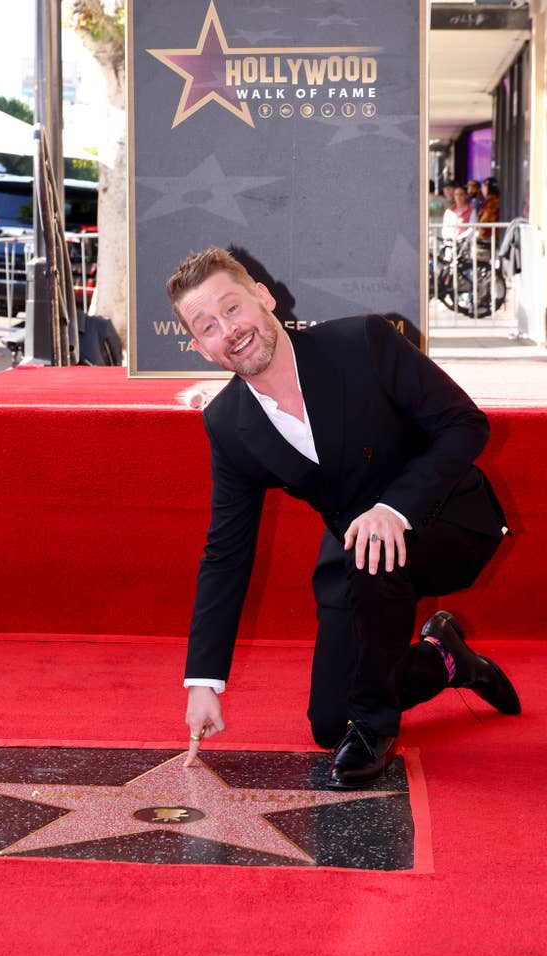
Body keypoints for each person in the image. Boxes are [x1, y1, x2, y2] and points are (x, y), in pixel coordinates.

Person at [167, 247, 520, 788]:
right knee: (330, 722)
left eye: (233, 309)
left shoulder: (362, 343)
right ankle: (446, 659)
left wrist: (394, 507)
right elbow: (226, 552)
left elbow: (464, 425)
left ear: (264, 297)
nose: (229, 330)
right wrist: (204, 681)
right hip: (354, 551)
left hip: (449, 519)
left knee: (374, 568)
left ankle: (377, 728)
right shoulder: (228, 424)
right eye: (208, 326)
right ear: (200, 348)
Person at [477, 177, 501, 243]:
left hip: (490, 239)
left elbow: (485, 221)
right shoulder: (491, 201)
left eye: (484, 187)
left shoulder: (492, 203)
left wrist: (479, 233)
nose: (482, 189)